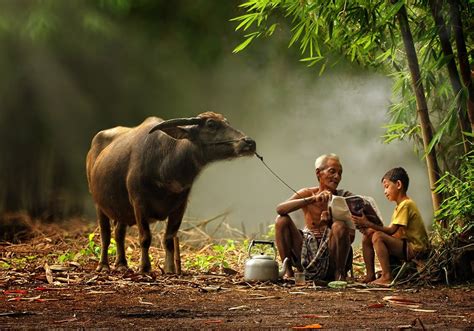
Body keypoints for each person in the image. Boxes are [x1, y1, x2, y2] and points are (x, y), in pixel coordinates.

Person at [275, 153, 354, 281]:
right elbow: (280, 209)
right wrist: (312, 199)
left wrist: (330, 224)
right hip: (306, 252)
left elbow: (350, 237)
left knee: (338, 225)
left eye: (340, 173)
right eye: (332, 172)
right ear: (318, 173)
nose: (337, 177)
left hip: (331, 256)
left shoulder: (345, 197)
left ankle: (339, 275)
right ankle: (288, 272)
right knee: (281, 220)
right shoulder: (308, 193)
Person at [352, 167, 429, 286]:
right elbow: (393, 233)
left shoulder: (406, 204)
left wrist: (368, 223)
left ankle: (386, 276)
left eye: (387, 186)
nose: (385, 192)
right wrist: (369, 228)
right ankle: (370, 275)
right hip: (405, 245)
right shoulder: (399, 206)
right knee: (368, 235)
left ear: (398, 184)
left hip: (415, 249)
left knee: (378, 236)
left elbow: (391, 230)